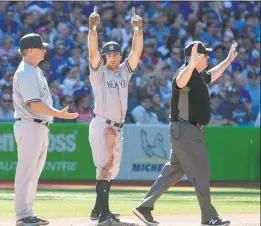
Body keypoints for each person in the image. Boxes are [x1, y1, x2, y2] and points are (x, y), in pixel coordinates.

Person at [133, 41, 238, 226]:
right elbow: (180, 81)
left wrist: (228, 60)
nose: (207, 58)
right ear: (194, 57)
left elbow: (212, 75)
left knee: (173, 171)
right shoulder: (183, 73)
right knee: (201, 172)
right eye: (205, 55)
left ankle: (145, 207)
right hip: (186, 130)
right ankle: (209, 217)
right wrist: (190, 63)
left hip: (187, 131)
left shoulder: (197, 75)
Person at [12, 33, 79, 226]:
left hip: (39, 126)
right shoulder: (25, 71)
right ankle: (22, 215)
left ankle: (28, 213)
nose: (44, 49)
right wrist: (59, 114)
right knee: (26, 171)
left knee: (34, 172)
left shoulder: (34, 70)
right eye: (41, 47)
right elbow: (34, 104)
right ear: (31, 50)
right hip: (30, 123)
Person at [88, 6, 143, 225]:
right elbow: (92, 52)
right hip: (103, 124)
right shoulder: (99, 72)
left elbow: (136, 53)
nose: (112, 57)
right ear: (105, 57)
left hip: (116, 126)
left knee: (110, 170)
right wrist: (92, 29)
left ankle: (97, 210)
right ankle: (104, 217)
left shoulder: (123, 71)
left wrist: (138, 31)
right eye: (109, 55)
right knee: (105, 168)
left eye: (115, 54)